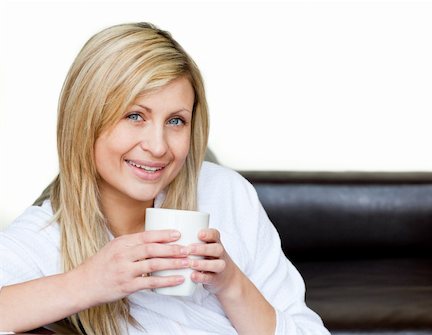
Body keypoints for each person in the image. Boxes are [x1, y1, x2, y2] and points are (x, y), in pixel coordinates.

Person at [0, 22, 329, 334]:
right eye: (134, 116)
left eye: (175, 121)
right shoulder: (43, 240)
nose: (158, 147)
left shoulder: (225, 193)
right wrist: (89, 282)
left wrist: (231, 283)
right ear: (86, 119)